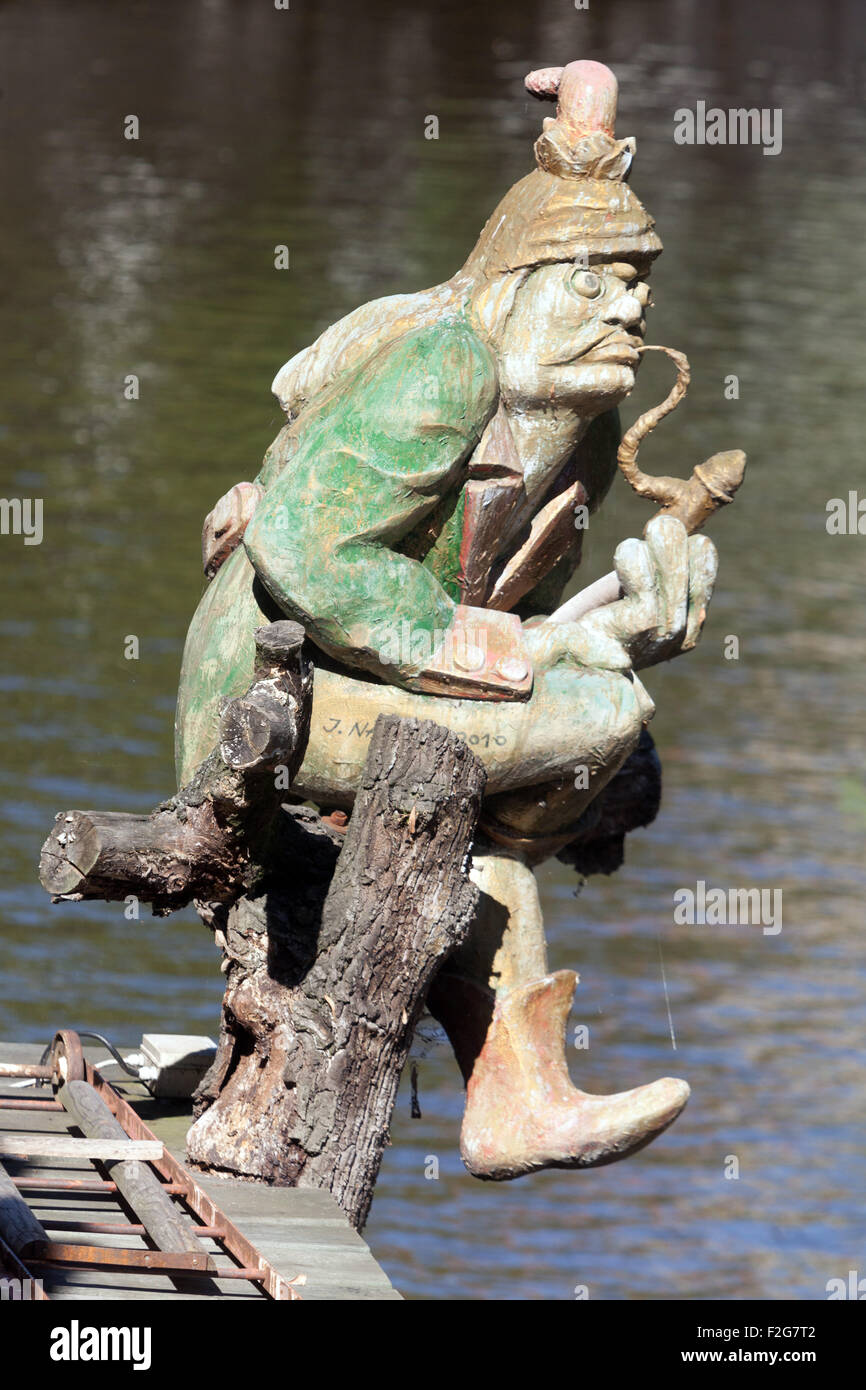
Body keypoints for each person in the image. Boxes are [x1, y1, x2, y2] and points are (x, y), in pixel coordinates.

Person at [176, 61, 717, 1179]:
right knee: (595, 714)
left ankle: (517, 1093)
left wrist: (613, 613)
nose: (628, 309)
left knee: (609, 709)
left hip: (368, 687)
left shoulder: (571, 428)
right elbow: (309, 549)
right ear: (515, 284)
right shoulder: (447, 359)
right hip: (270, 702)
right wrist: (528, 651)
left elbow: (487, 606)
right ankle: (513, 1089)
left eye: (637, 291)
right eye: (594, 284)